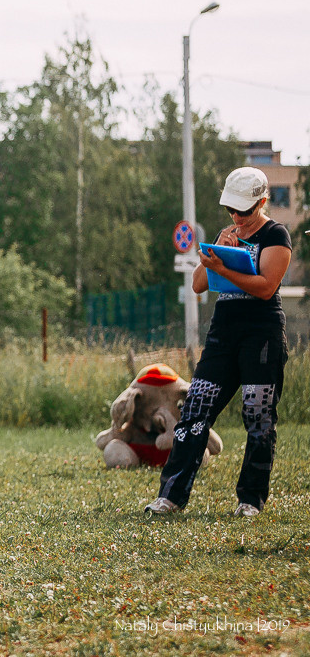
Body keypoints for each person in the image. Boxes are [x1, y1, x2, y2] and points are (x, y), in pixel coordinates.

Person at [145, 167, 292, 517]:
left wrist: (224, 270)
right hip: (223, 336)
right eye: (232, 210)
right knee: (194, 411)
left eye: (244, 210)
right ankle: (171, 496)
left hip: (262, 336)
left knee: (258, 417)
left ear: (262, 201)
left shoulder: (276, 235)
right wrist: (214, 256)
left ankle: (250, 501)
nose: (237, 217)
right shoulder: (227, 234)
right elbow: (198, 285)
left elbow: (265, 287)